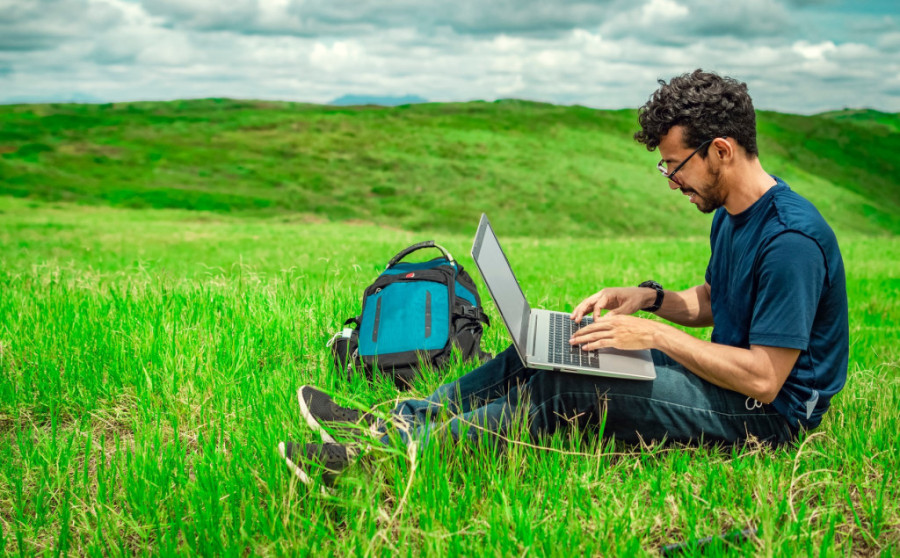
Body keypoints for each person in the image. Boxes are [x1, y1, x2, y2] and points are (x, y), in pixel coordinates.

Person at [278, 69, 849, 485]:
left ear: (720, 150)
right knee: (544, 351)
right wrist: (649, 299)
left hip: (768, 418)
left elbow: (765, 380)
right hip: (737, 384)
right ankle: (399, 423)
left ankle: (387, 466)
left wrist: (654, 337)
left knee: (563, 386)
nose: (671, 180)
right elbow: (716, 302)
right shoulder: (732, 213)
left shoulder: (790, 242)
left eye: (674, 165)